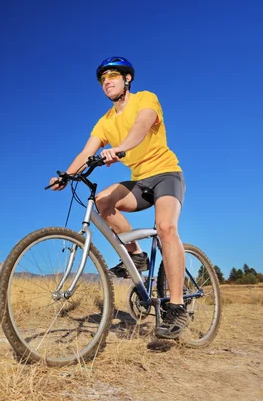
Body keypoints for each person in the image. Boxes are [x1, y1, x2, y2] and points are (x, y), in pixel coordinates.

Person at [49, 56, 188, 339]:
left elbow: (141, 128)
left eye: (113, 76)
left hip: (166, 175)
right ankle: (136, 257)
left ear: (127, 79)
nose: (107, 82)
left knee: (166, 229)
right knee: (102, 201)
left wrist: (120, 149)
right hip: (139, 181)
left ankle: (177, 306)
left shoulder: (146, 99)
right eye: (102, 79)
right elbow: (86, 152)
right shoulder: (105, 122)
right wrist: (66, 174)